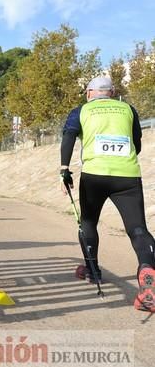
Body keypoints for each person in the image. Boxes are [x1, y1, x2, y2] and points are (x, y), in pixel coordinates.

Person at [60, 76, 155, 312]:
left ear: (89, 92)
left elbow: (69, 137)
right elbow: (137, 143)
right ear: (111, 92)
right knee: (138, 229)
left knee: (88, 222)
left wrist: (64, 170)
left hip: (94, 175)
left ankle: (93, 271)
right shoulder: (128, 109)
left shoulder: (81, 110)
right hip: (128, 176)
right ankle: (147, 269)